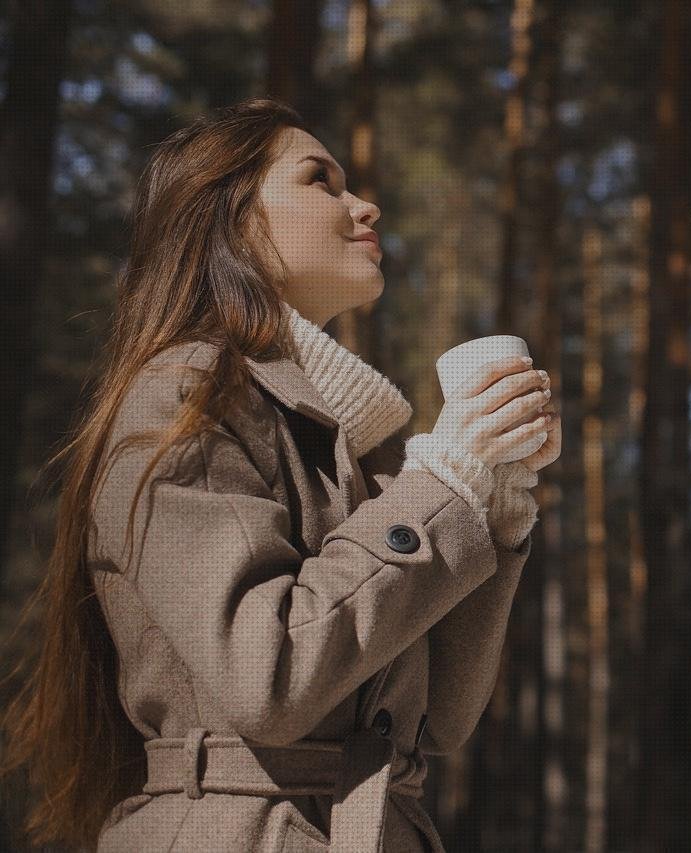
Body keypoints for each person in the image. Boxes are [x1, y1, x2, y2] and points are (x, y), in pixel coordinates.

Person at [0, 97, 561, 852]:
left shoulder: (337, 451)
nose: (365, 205)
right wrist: (442, 483)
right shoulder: (182, 396)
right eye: (320, 182)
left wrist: (487, 501)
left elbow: (441, 720)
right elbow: (269, 674)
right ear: (231, 221)